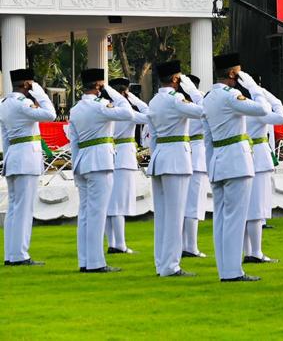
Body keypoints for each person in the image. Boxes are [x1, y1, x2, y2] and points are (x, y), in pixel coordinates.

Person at [202, 52, 279, 283]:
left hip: (218, 161)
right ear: (233, 74)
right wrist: (254, 87)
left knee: (222, 219)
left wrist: (210, 164)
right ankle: (233, 271)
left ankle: (225, 269)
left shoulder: (208, 97)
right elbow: (263, 110)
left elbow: (207, 138)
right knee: (235, 218)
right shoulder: (231, 95)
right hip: (236, 161)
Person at [67, 68, 145, 274]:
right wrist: (111, 90)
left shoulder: (75, 109)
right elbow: (128, 112)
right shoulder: (101, 106)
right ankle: (95, 262)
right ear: (99, 86)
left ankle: (84, 260)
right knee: (97, 214)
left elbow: (73, 142)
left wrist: (76, 167)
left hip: (82, 162)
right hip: (100, 162)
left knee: (84, 214)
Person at [148, 61, 205, 277]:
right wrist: (191, 89)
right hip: (176, 160)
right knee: (175, 215)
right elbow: (203, 110)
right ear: (175, 79)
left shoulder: (154, 101)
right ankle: (171, 266)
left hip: (160, 158)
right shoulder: (176, 99)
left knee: (162, 216)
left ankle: (161, 263)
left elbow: (152, 136)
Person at [1, 67, 57, 266]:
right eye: (31, 84)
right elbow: (51, 115)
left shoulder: (4, 103)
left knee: (14, 209)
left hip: (13, 158)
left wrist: (8, 158)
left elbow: (5, 138)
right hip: (26, 159)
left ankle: (11, 254)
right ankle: (20, 255)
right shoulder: (22, 103)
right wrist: (40, 92)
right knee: (24, 209)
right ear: (27, 84)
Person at [243, 79, 283, 264]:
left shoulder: (238, 107)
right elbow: (282, 116)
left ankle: (248, 251)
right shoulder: (257, 110)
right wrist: (261, 92)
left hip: (243, 155)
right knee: (256, 207)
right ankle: (256, 252)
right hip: (258, 158)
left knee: (246, 208)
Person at [105, 77, 149, 255]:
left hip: (108, 154)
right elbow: (148, 113)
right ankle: (119, 244)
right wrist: (132, 98)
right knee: (119, 203)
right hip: (124, 156)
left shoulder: (105, 109)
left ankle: (112, 242)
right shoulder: (126, 112)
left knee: (110, 203)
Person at [181, 74, 209, 259]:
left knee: (182, 205)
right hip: (197, 156)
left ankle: (184, 244)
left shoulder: (178, 104)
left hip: (181, 155)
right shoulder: (197, 106)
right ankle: (191, 246)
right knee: (194, 205)